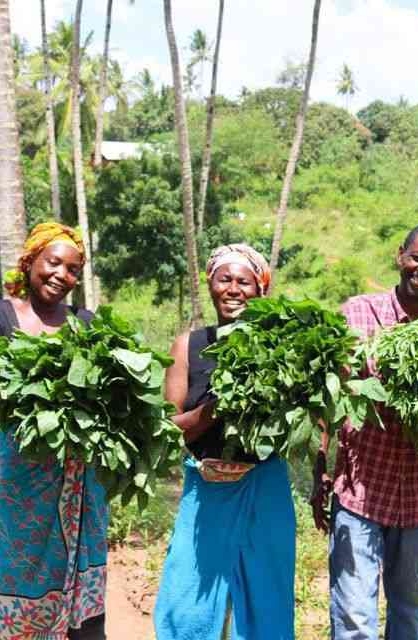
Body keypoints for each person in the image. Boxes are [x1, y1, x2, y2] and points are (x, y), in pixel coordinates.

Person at [311, 222, 418, 640]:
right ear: (400, 255)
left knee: (407, 609)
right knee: (354, 615)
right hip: (360, 490)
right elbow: (327, 397)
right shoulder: (357, 312)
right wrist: (320, 467)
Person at [0, 222, 108, 640]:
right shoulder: (0, 315)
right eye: (53, 263)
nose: (61, 275)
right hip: (25, 478)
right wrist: (45, 394)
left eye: (72, 269)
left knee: (86, 606)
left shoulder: (86, 323)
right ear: (31, 261)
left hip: (82, 481)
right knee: (22, 564)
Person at [153, 244, 296, 640]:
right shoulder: (189, 346)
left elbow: (307, 415)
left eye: (245, 281)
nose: (234, 289)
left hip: (263, 488)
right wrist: (215, 409)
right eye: (225, 279)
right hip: (205, 489)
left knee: (266, 594)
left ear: (260, 289)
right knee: (188, 597)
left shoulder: (280, 343)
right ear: (211, 285)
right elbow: (169, 430)